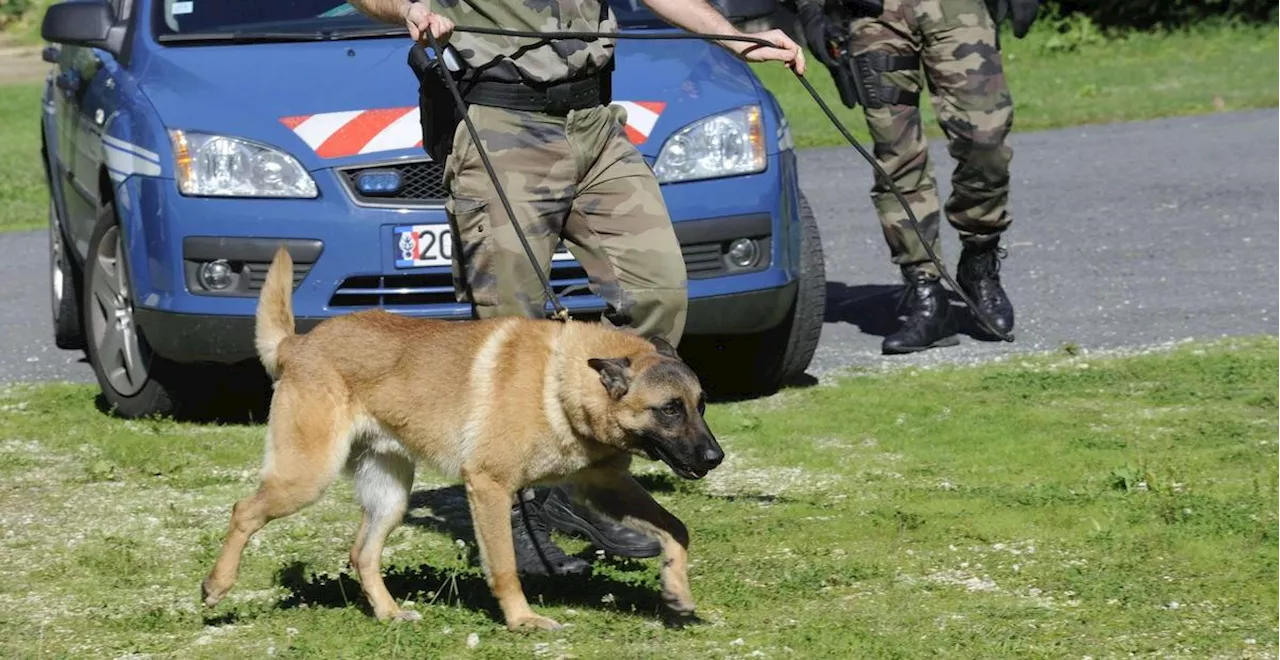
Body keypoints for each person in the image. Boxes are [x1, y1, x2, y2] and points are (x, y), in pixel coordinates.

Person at [346, 0, 805, 576]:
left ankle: (591, 478)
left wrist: (736, 38)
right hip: (500, 118)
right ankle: (521, 506)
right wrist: (412, 8)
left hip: (593, 123)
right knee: (509, 324)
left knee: (657, 292)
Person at [793, 0, 1035, 354]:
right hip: (871, 13)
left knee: (985, 138)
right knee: (897, 156)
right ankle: (927, 294)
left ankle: (979, 258)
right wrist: (812, 10)